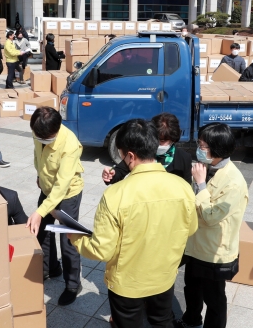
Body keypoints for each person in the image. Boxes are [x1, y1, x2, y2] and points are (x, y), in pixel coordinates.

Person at [69, 119, 197, 327]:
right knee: (162, 320)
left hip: (128, 283)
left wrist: (76, 238)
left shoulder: (115, 195)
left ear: (129, 155)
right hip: (164, 276)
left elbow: (102, 251)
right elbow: (191, 228)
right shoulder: (182, 187)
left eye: (120, 153)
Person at [176, 123, 248, 328]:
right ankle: (191, 320)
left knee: (214, 299)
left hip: (214, 251)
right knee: (191, 287)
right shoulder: (207, 166)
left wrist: (200, 184)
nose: (199, 149)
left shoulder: (233, 181)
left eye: (203, 145)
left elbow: (210, 216)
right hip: (195, 244)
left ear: (218, 148)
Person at [26, 107, 84, 306]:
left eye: (47, 137)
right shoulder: (38, 131)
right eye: (38, 136)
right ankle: (50, 269)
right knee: (43, 232)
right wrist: (39, 176)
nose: (41, 139)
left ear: (57, 130)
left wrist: (40, 211)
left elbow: (62, 186)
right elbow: (38, 157)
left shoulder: (70, 145)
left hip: (67, 195)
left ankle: (72, 285)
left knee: (68, 240)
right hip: (47, 188)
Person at [102, 112, 192, 185]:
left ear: (173, 139)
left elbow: (187, 185)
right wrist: (111, 175)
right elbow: (121, 170)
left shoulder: (184, 158)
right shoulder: (140, 152)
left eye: (163, 141)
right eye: (156, 138)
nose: (158, 144)